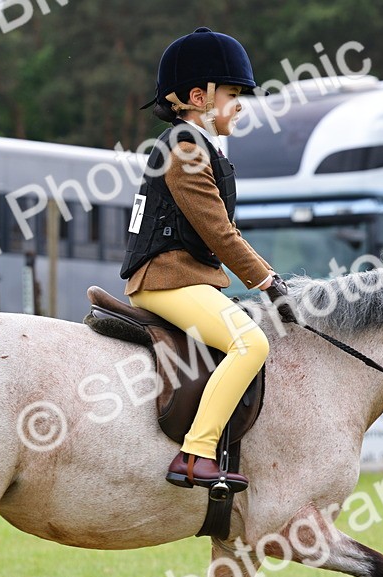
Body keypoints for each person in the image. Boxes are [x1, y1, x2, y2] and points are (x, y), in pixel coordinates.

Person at [122, 27, 295, 493]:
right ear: (199, 96)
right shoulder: (185, 150)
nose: (240, 104)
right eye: (233, 93)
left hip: (184, 278)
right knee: (250, 345)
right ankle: (196, 454)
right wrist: (267, 282)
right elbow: (219, 232)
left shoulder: (198, 146)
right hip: (168, 280)